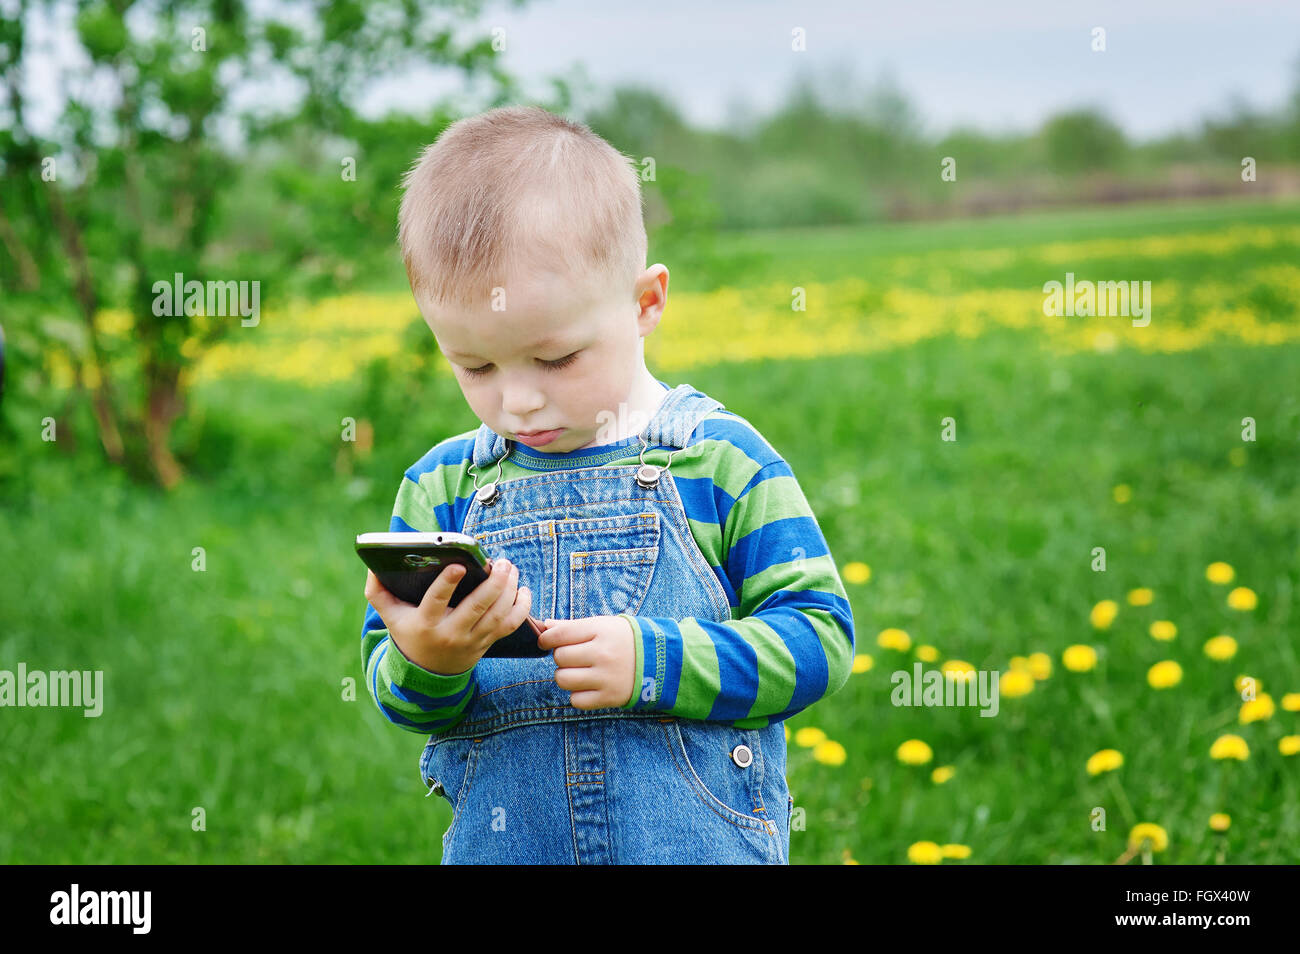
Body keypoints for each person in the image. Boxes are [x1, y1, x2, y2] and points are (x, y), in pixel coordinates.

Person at [361, 104, 855, 864]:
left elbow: (820, 637)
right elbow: (399, 696)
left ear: (645, 302)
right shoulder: (442, 490)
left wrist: (656, 661)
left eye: (555, 360)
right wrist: (430, 659)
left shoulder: (720, 461)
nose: (518, 400)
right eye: (476, 367)